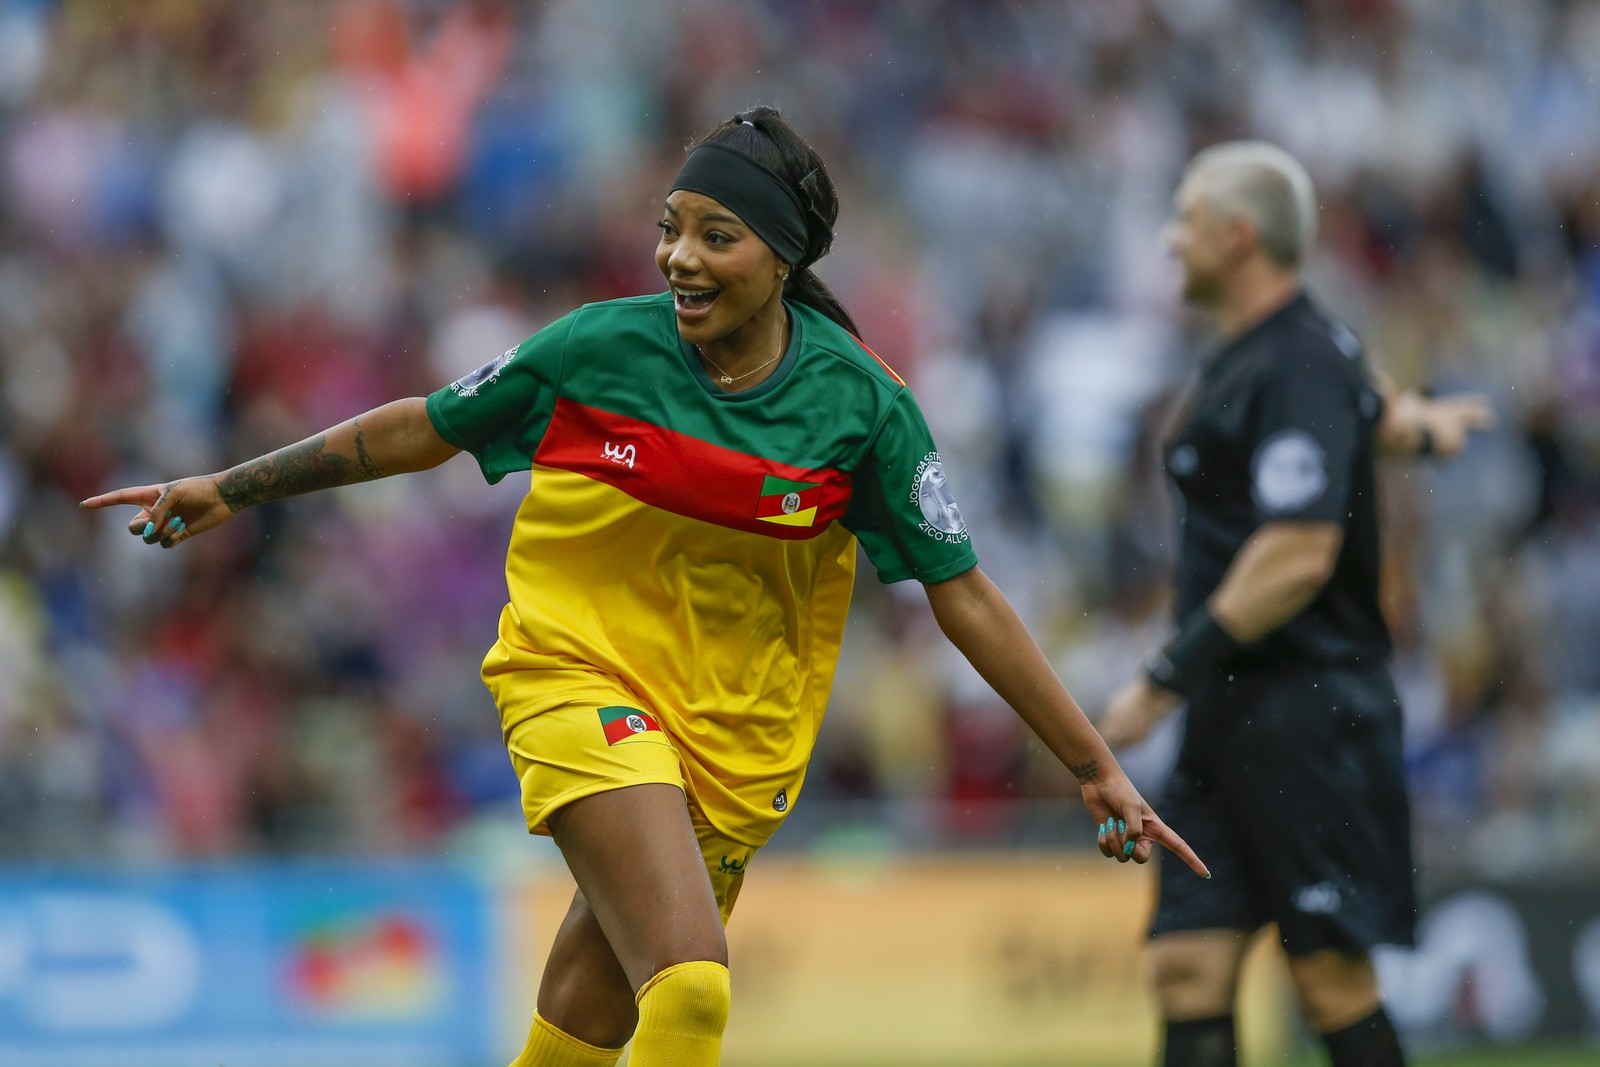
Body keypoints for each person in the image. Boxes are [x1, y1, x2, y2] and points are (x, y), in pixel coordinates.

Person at [84, 106, 1207, 1067]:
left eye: (714, 235)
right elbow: (422, 428)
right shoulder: (593, 352)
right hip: (576, 676)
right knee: (693, 988)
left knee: (580, 1029)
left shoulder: (864, 408)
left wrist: (1093, 763)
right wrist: (230, 486)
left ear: (781, 256)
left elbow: (962, 592)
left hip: (734, 740)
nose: (677, 257)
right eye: (668, 228)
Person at [1100, 141, 1495, 1067]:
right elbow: (1367, 411)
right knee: (1187, 969)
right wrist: (1417, 430)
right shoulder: (1282, 355)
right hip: (1233, 715)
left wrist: (1162, 676)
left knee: (1329, 979)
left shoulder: (1299, 358)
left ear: (1239, 237)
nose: (1169, 240)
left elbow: (1298, 553)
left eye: (1186, 220)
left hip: (1310, 712)